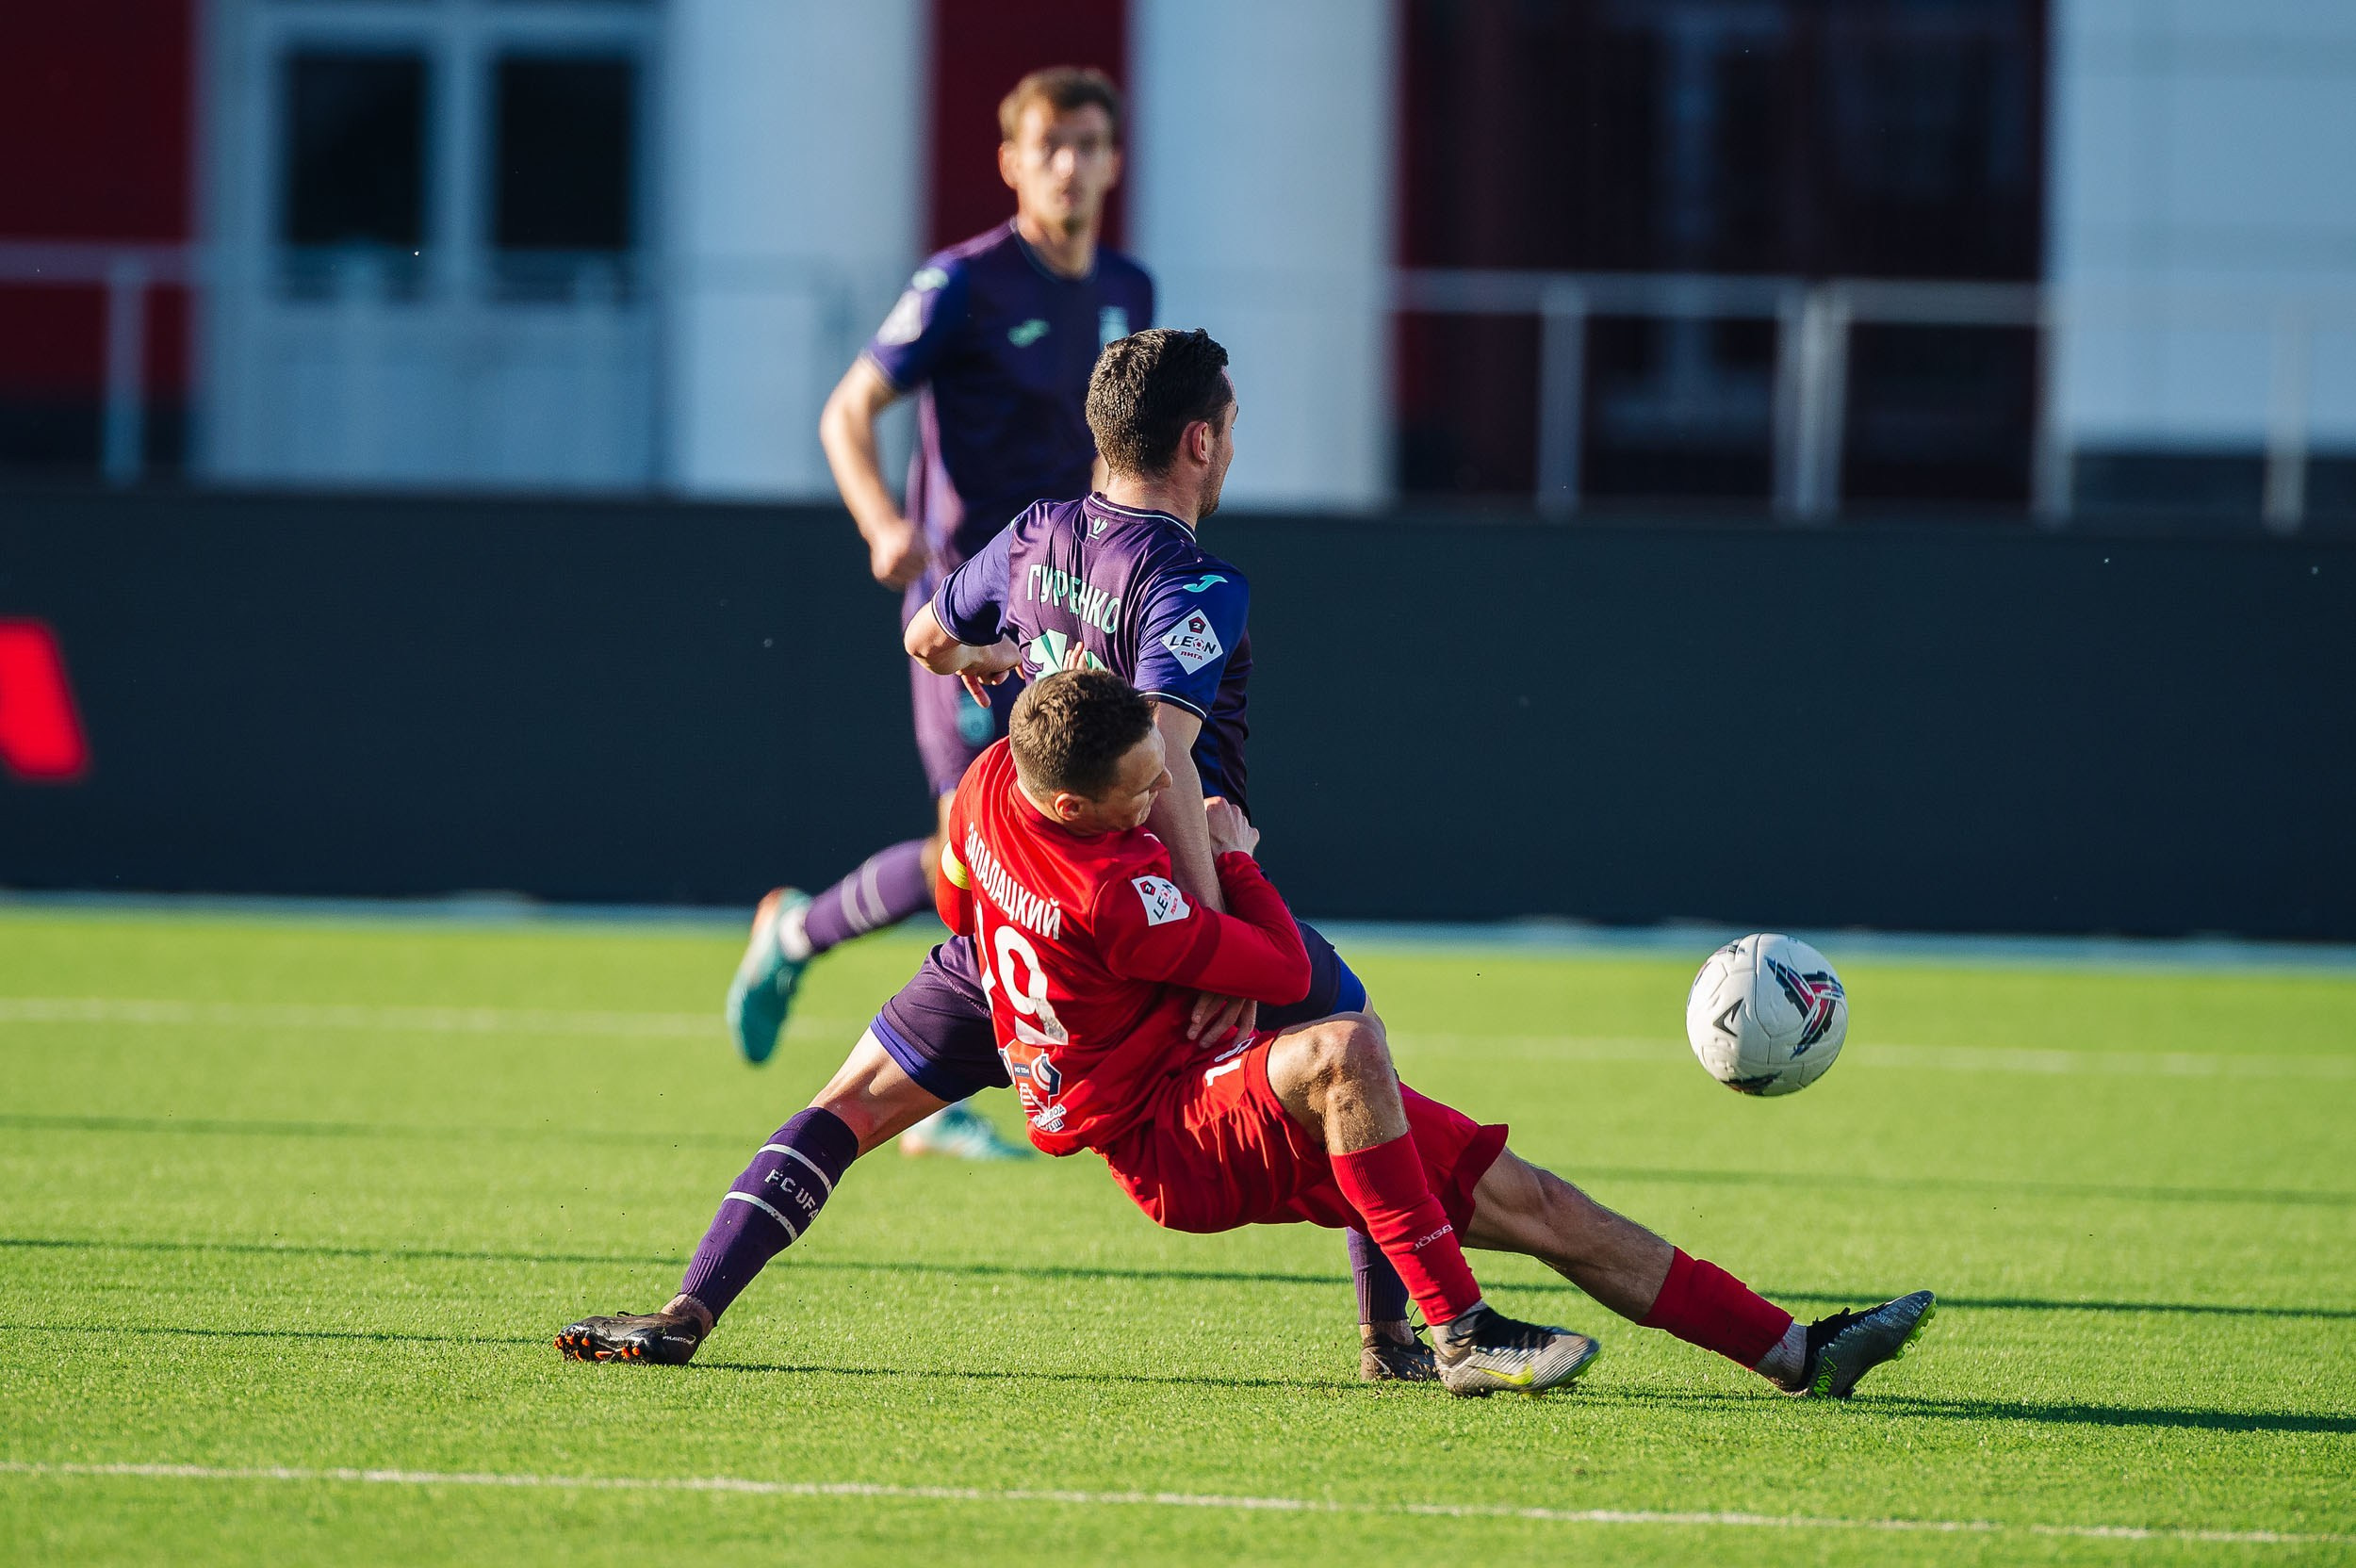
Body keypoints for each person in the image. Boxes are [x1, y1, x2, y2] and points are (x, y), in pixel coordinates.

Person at [943, 671, 1933, 1398]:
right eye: (1139, 788)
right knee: (1344, 1046)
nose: (1161, 795)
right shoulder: (1118, 895)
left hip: (1205, 1081)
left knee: (1541, 1204)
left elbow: (954, 869)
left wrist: (1002, 947)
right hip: (1172, 1134)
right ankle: (1459, 1330)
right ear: (1070, 805)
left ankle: (1797, 1352)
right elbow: (1285, 971)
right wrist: (1237, 862)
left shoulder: (991, 779)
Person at [725, 66, 1153, 1165]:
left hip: (1069, 617)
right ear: (1012, 161)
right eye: (1050, 143)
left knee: (1011, 850)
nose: (1072, 163)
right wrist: (880, 522)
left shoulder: (1126, 289)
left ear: (1113, 159)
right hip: (961, 622)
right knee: (974, 849)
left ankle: (815, 946)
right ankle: (908, 1048)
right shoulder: (961, 284)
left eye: (1091, 143)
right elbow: (848, 410)